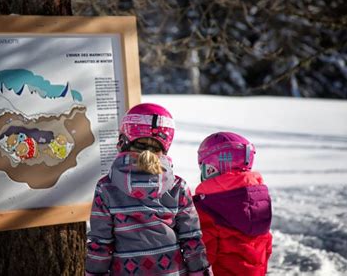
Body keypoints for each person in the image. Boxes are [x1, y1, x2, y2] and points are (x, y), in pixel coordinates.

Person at [85, 103, 212, 275]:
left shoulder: (107, 188)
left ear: (123, 140)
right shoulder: (177, 186)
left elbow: (100, 243)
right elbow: (191, 240)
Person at [193, 132, 272, 276]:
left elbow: (201, 260)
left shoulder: (207, 207)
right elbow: (266, 249)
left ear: (210, 169)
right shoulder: (259, 201)